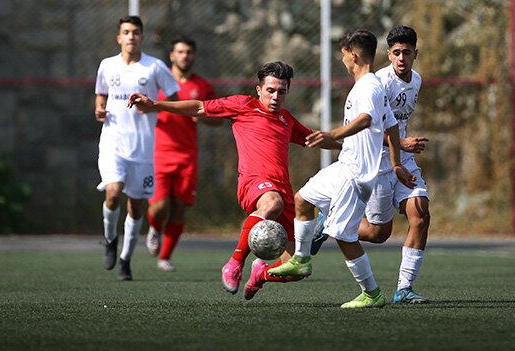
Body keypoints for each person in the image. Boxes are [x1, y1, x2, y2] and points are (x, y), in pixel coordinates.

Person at [128, 61, 341, 299]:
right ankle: (234, 263)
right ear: (259, 89)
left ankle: (261, 274)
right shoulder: (243, 105)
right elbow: (199, 107)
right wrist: (156, 105)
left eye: (282, 91)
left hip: (282, 190)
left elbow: (314, 138)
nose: (276, 96)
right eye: (271, 90)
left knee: (296, 268)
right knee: (272, 203)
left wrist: (347, 146)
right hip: (253, 182)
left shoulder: (286, 120)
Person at [269, 29, 417, 309]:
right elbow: (392, 126)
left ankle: (372, 293)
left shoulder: (369, 87)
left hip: (356, 173)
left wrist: (332, 134)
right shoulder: (371, 85)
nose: (342, 60)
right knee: (303, 199)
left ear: (353, 54)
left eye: (343, 55)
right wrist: (396, 163)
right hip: (345, 164)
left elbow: (367, 119)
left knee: (344, 236)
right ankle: (300, 260)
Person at [311, 26, 431, 304]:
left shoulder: (417, 81)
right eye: (396, 53)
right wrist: (401, 144)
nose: (402, 58)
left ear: (415, 54)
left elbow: (395, 124)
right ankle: (328, 220)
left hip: (402, 160)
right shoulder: (377, 84)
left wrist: (402, 151)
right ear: (388, 55)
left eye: (407, 53)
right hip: (376, 164)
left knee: (421, 215)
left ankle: (404, 289)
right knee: (378, 234)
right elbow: (371, 130)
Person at [94, 15, 180, 281]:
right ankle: (110, 240)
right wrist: (98, 108)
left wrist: (154, 105)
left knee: (136, 207)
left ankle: (125, 260)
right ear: (119, 37)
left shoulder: (154, 67)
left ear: (142, 37)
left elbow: (174, 98)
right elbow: (101, 94)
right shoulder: (107, 65)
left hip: (143, 148)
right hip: (113, 143)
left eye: (136, 32)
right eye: (126, 32)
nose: (131, 37)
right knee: (113, 192)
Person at [145, 36, 222, 272]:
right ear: (172, 55)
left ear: (194, 55)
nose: (184, 56)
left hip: (187, 155)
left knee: (179, 207)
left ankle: (165, 257)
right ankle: (155, 227)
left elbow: (217, 118)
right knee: (159, 206)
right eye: (180, 51)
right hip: (159, 152)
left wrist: (203, 118)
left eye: (189, 52)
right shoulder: (157, 81)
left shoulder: (202, 86)